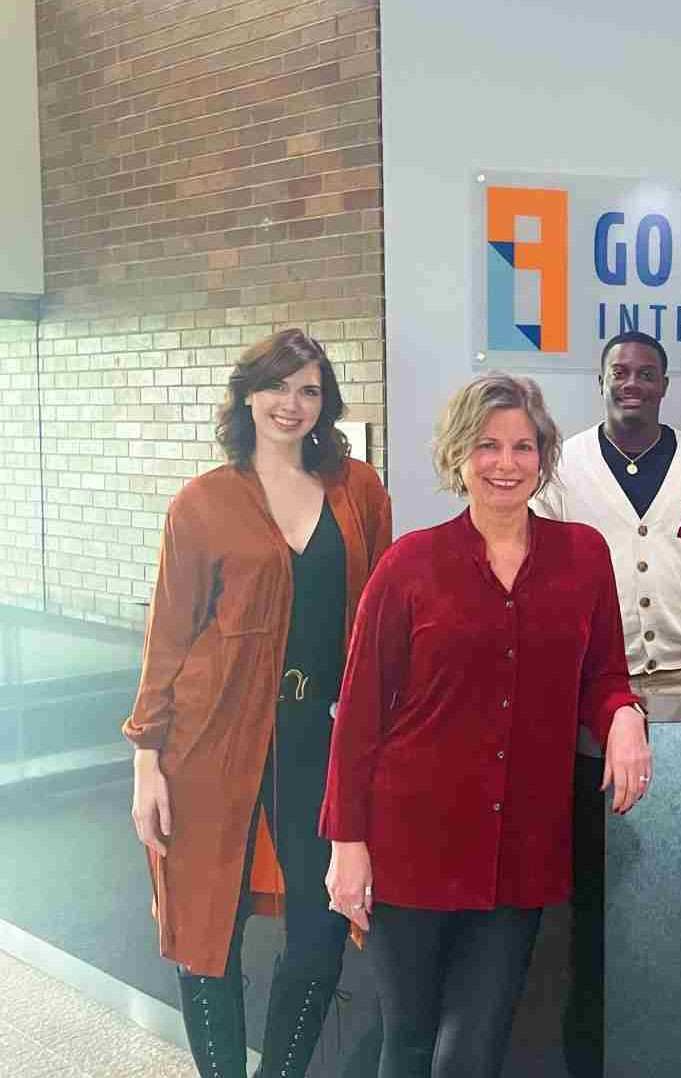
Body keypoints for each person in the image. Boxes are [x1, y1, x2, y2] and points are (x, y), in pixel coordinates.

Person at [320, 373, 651, 1078]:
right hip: (410, 844)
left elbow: (605, 675)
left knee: (473, 1052)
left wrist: (624, 714)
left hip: (520, 850)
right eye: (487, 445)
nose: (506, 462)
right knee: (407, 1043)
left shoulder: (583, 556)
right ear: (458, 457)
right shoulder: (409, 565)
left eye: (523, 446)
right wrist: (347, 844)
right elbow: (359, 717)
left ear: (543, 456)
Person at [125, 329, 392, 1078]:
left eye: (310, 390)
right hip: (210, 740)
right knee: (206, 925)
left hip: (322, 740)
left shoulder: (359, 490)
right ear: (248, 394)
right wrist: (147, 760)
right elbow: (169, 636)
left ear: (326, 403)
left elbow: (377, 619)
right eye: (278, 386)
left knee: (321, 929)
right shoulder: (203, 503)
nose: (292, 404)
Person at [531, 329, 681, 1076]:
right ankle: (597, 1020)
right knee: (604, 860)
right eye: (620, 372)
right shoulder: (567, 467)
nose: (633, 383)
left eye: (646, 373)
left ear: (663, 384)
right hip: (597, 684)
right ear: (600, 381)